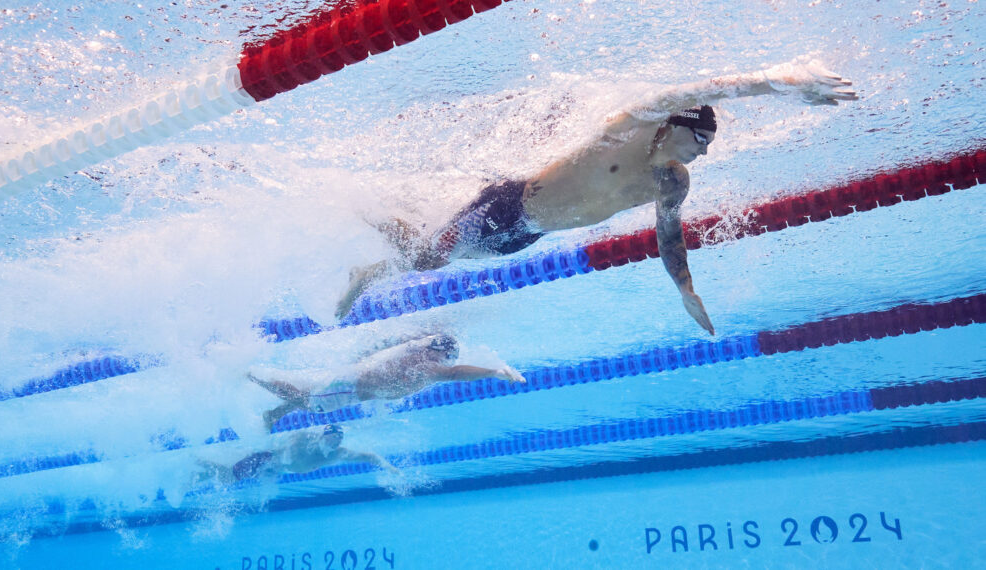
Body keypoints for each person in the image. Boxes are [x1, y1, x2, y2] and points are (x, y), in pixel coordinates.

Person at [335, 59, 858, 334]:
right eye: (701, 140)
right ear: (676, 125)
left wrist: (684, 289)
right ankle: (360, 221)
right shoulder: (625, 130)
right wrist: (780, 82)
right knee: (428, 255)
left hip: (527, 235)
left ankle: (376, 227)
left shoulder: (671, 181)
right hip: (506, 206)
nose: (703, 152)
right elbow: (700, 89)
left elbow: (668, 236)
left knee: (424, 255)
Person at [248, 332, 525, 428]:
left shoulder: (416, 355)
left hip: (350, 383)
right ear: (437, 352)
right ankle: (249, 375)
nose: (446, 363)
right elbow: (453, 374)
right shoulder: (425, 365)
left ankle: (273, 413)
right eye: (446, 357)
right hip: (346, 389)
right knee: (308, 401)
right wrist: (492, 371)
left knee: (308, 395)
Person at [196, 424, 396, 486]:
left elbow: (369, 456)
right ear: (323, 436)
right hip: (267, 460)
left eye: (338, 439)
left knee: (227, 478)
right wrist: (287, 454)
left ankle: (198, 472)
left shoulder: (337, 454)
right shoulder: (307, 439)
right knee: (230, 477)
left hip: (274, 470)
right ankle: (199, 462)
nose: (335, 442)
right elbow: (292, 439)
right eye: (332, 438)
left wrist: (386, 465)